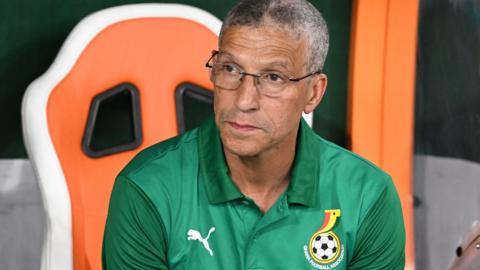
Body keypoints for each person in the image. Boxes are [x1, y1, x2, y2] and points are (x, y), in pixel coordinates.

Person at [102, 0, 406, 269]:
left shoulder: (368, 196)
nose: (244, 100)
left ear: (314, 92)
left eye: (273, 77)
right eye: (231, 69)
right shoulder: (147, 187)